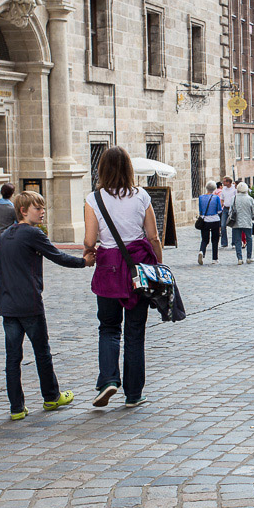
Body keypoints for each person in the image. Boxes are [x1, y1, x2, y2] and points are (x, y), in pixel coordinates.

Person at [0, 191, 94, 420]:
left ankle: (16, 408)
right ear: (23, 210)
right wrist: (84, 262)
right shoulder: (33, 233)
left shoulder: (5, 235)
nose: (42, 212)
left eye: (42, 207)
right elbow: (57, 256)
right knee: (42, 353)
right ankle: (51, 397)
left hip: (8, 305)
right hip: (29, 304)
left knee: (12, 358)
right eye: (37, 208)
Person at [84, 146, 163, 408]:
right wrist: (159, 265)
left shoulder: (93, 199)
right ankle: (134, 393)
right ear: (129, 169)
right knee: (135, 331)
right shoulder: (142, 196)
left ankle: (108, 379)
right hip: (138, 267)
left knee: (108, 327)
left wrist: (90, 249)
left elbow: (88, 239)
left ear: (101, 169)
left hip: (108, 267)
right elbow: (153, 236)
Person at [230, 181, 254, 265]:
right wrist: (249, 216)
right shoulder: (250, 199)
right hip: (247, 222)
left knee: (237, 240)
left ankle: (239, 258)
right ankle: (249, 257)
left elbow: (230, 211)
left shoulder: (234, 198)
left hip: (236, 222)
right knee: (249, 239)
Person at [197, 181, 223, 265]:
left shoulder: (201, 197)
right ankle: (214, 259)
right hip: (215, 220)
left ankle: (202, 251)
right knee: (215, 240)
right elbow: (219, 210)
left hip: (205, 220)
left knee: (204, 239)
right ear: (214, 189)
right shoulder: (216, 198)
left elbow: (200, 210)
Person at [219, 176, 237, 249]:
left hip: (232, 209)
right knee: (223, 225)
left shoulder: (234, 189)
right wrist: (221, 206)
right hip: (225, 209)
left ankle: (234, 242)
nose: (223, 183)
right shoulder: (224, 189)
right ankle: (224, 243)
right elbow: (222, 198)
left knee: (233, 226)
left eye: (224, 181)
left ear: (228, 182)